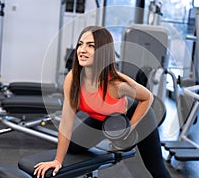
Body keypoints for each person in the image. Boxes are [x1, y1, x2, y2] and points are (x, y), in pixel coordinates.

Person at [34, 26, 171, 178]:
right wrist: (57, 161)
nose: (82, 50)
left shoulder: (116, 84)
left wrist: (131, 127)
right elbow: (66, 122)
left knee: (156, 167)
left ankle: (122, 134)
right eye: (80, 44)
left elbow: (148, 98)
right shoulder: (73, 79)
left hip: (134, 115)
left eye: (90, 46)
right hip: (102, 117)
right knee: (73, 148)